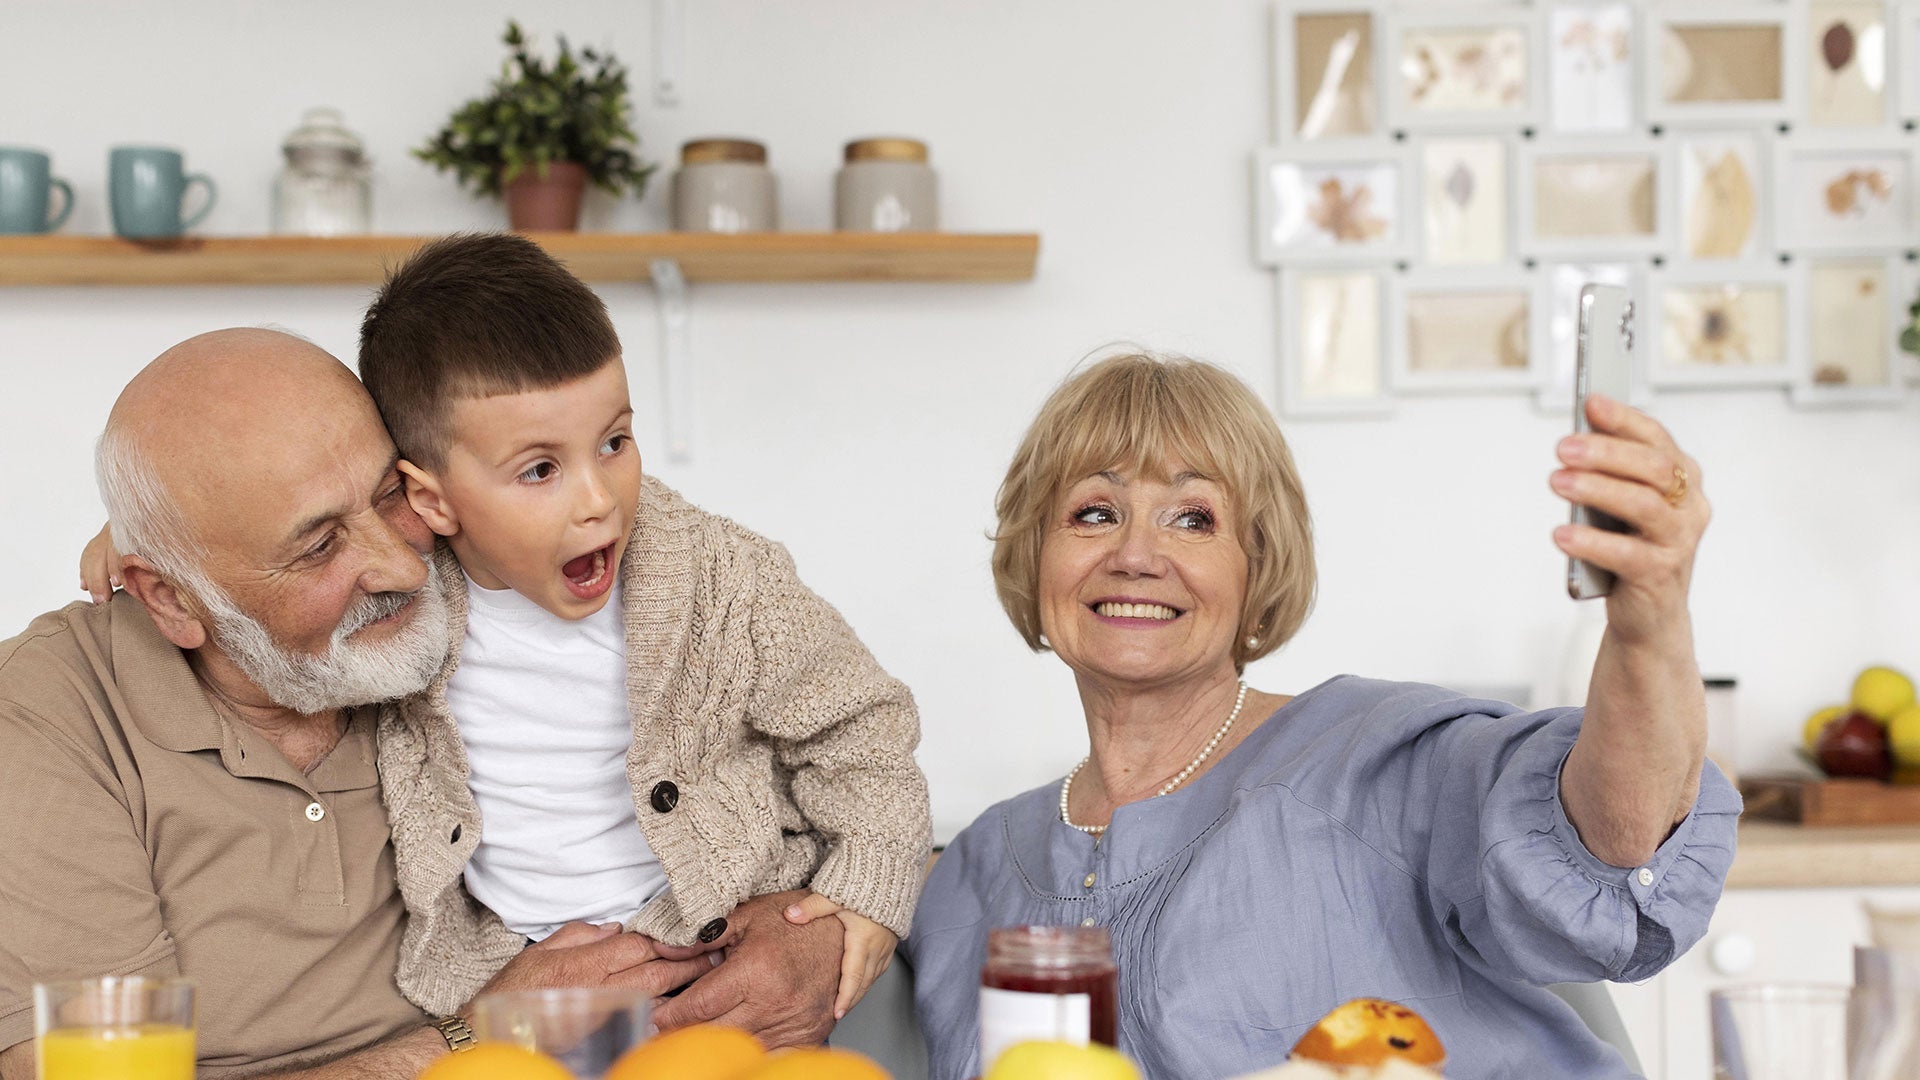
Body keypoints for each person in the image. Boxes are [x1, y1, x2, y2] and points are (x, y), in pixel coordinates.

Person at [5, 329, 848, 1079]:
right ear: (174, 601)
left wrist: (825, 923)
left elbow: (587, 486)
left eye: (387, 496)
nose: (405, 569)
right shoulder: (49, 719)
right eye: (321, 544)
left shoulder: (460, 604)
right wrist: (482, 1034)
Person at [904, 353, 1739, 1080]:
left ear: (1256, 567)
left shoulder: (1378, 759)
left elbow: (1615, 839)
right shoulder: (972, 874)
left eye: (1194, 518)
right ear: (1034, 553)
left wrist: (1649, 622)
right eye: (1093, 512)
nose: (1134, 554)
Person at [353, 233, 931, 1022]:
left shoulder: (724, 582)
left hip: (718, 966)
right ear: (433, 500)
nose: (598, 498)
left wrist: (868, 890)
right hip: (517, 984)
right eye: (540, 470)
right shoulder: (395, 600)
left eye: (614, 442)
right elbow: (245, 552)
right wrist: (128, 544)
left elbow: (862, 730)